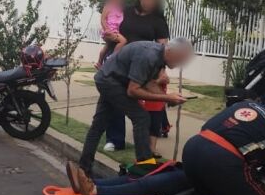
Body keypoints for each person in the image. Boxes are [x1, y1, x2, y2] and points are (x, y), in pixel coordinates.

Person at [78, 38, 194, 174]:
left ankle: (83, 169)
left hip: (112, 79)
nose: (181, 63)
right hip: (110, 81)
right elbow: (133, 91)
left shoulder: (158, 58)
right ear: (172, 51)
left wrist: (168, 99)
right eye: (181, 59)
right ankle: (144, 167)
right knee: (141, 117)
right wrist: (166, 97)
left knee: (98, 125)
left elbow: (148, 83)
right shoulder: (149, 56)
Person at [104, 0, 171, 152]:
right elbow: (111, 24)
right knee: (114, 99)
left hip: (142, 67)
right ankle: (115, 139)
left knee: (146, 104)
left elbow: (163, 49)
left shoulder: (158, 21)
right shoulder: (125, 11)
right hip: (119, 61)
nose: (149, 3)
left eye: (154, 1)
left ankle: (149, 144)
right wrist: (108, 38)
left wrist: (161, 71)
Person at [95, 0, 127, 67]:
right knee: (123, 41)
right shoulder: (108, 6)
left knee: (107, 46)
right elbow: (103, 19)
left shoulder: (120, 9)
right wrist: (107, 30)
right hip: (110, 31)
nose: (118, 0)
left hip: (116, 31)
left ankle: (99, 62)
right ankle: (113, 57)